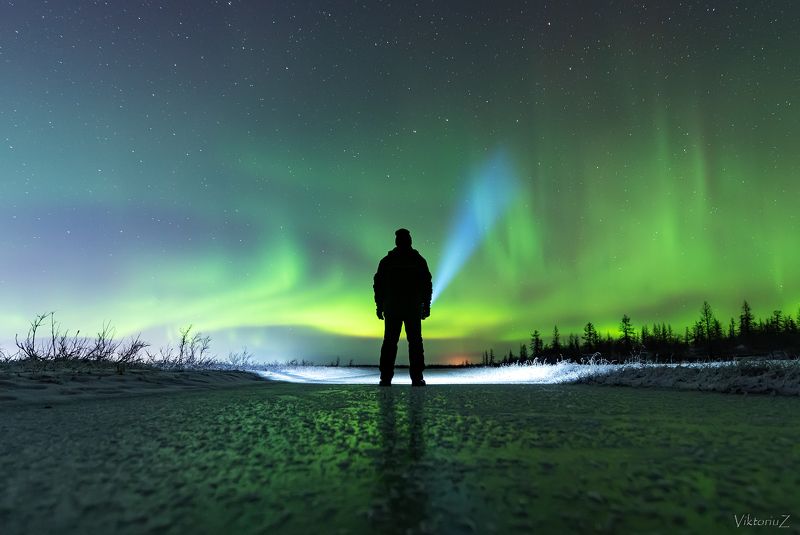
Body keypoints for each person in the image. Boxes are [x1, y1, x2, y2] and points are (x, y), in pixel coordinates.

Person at [373, 228, 432, 386]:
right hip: (409, 307)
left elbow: (378, 285)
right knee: (412, 343)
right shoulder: (417, 260)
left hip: (395, 307)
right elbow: (427, 284)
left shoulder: (388, 261)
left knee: (392, 343)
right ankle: (415, 377)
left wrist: (379, 305)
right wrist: (426, 305)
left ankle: (387, 378)